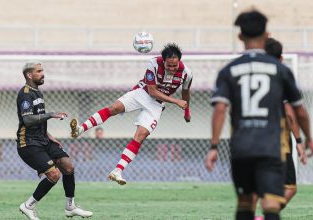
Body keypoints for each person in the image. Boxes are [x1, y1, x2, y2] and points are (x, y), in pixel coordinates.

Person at [204, 10, 313, 220]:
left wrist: (214, 146)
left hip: (241, 147)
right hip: (271, 146)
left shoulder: (229, 70)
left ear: (240, 37)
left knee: (245, 202)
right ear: (266, 35)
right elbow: (298, 110)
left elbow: (220, 109)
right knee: (271, 203)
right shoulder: (280, 70)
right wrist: (308, 139)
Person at [70, 43, 193, 185]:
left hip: (156, 105)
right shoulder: (153, 63)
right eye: (168, 65)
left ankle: (117, 171)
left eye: (175, 66)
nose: (172, 69)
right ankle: (80, 129)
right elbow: (152, 91)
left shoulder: (187, 74)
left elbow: (185, 93)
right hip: (143, 93)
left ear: (180, 61)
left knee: (140, 136)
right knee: (114, 108)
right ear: (163, 61)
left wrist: (187, 111)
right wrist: (176, 101)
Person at [16, 62, 92, 220]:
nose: (43, 73)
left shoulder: (38, 93)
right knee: (54, 175)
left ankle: (70, 207)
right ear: (29, 75)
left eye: (42, 70)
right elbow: (28, 120)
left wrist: (50, 136)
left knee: (68, 166)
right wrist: (51, 114)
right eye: (39, 71)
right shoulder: (24, 94)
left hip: (43, 140)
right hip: (28, 143)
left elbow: (38, 120)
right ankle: (28, 206)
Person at [253, 38, 308, 220]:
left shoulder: (251, 76)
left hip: (252, 136)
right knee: (289, 187)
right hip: (278, 139)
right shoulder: (282, 77)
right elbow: (290, 114)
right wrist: (300, 141)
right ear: (281, 58)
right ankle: (263, 217)